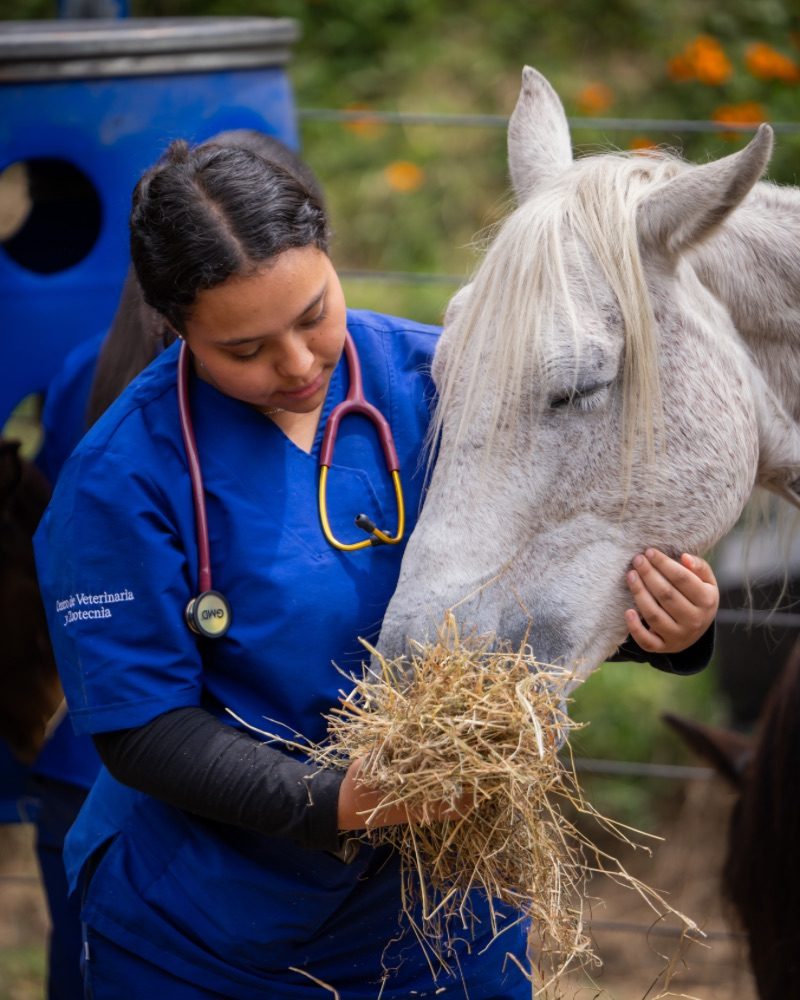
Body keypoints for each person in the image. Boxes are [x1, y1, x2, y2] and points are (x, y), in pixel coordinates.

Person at [33, 138, 719, 999]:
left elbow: (530, 587)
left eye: (314, 311)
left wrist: (665, 630)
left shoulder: (448, 379)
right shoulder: (121, 477)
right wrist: (334, 804)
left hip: (443, 923)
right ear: (175, 327)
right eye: (244, 350)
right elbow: (143, 729)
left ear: (330, 256)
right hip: (207, 935)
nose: (296, 363)